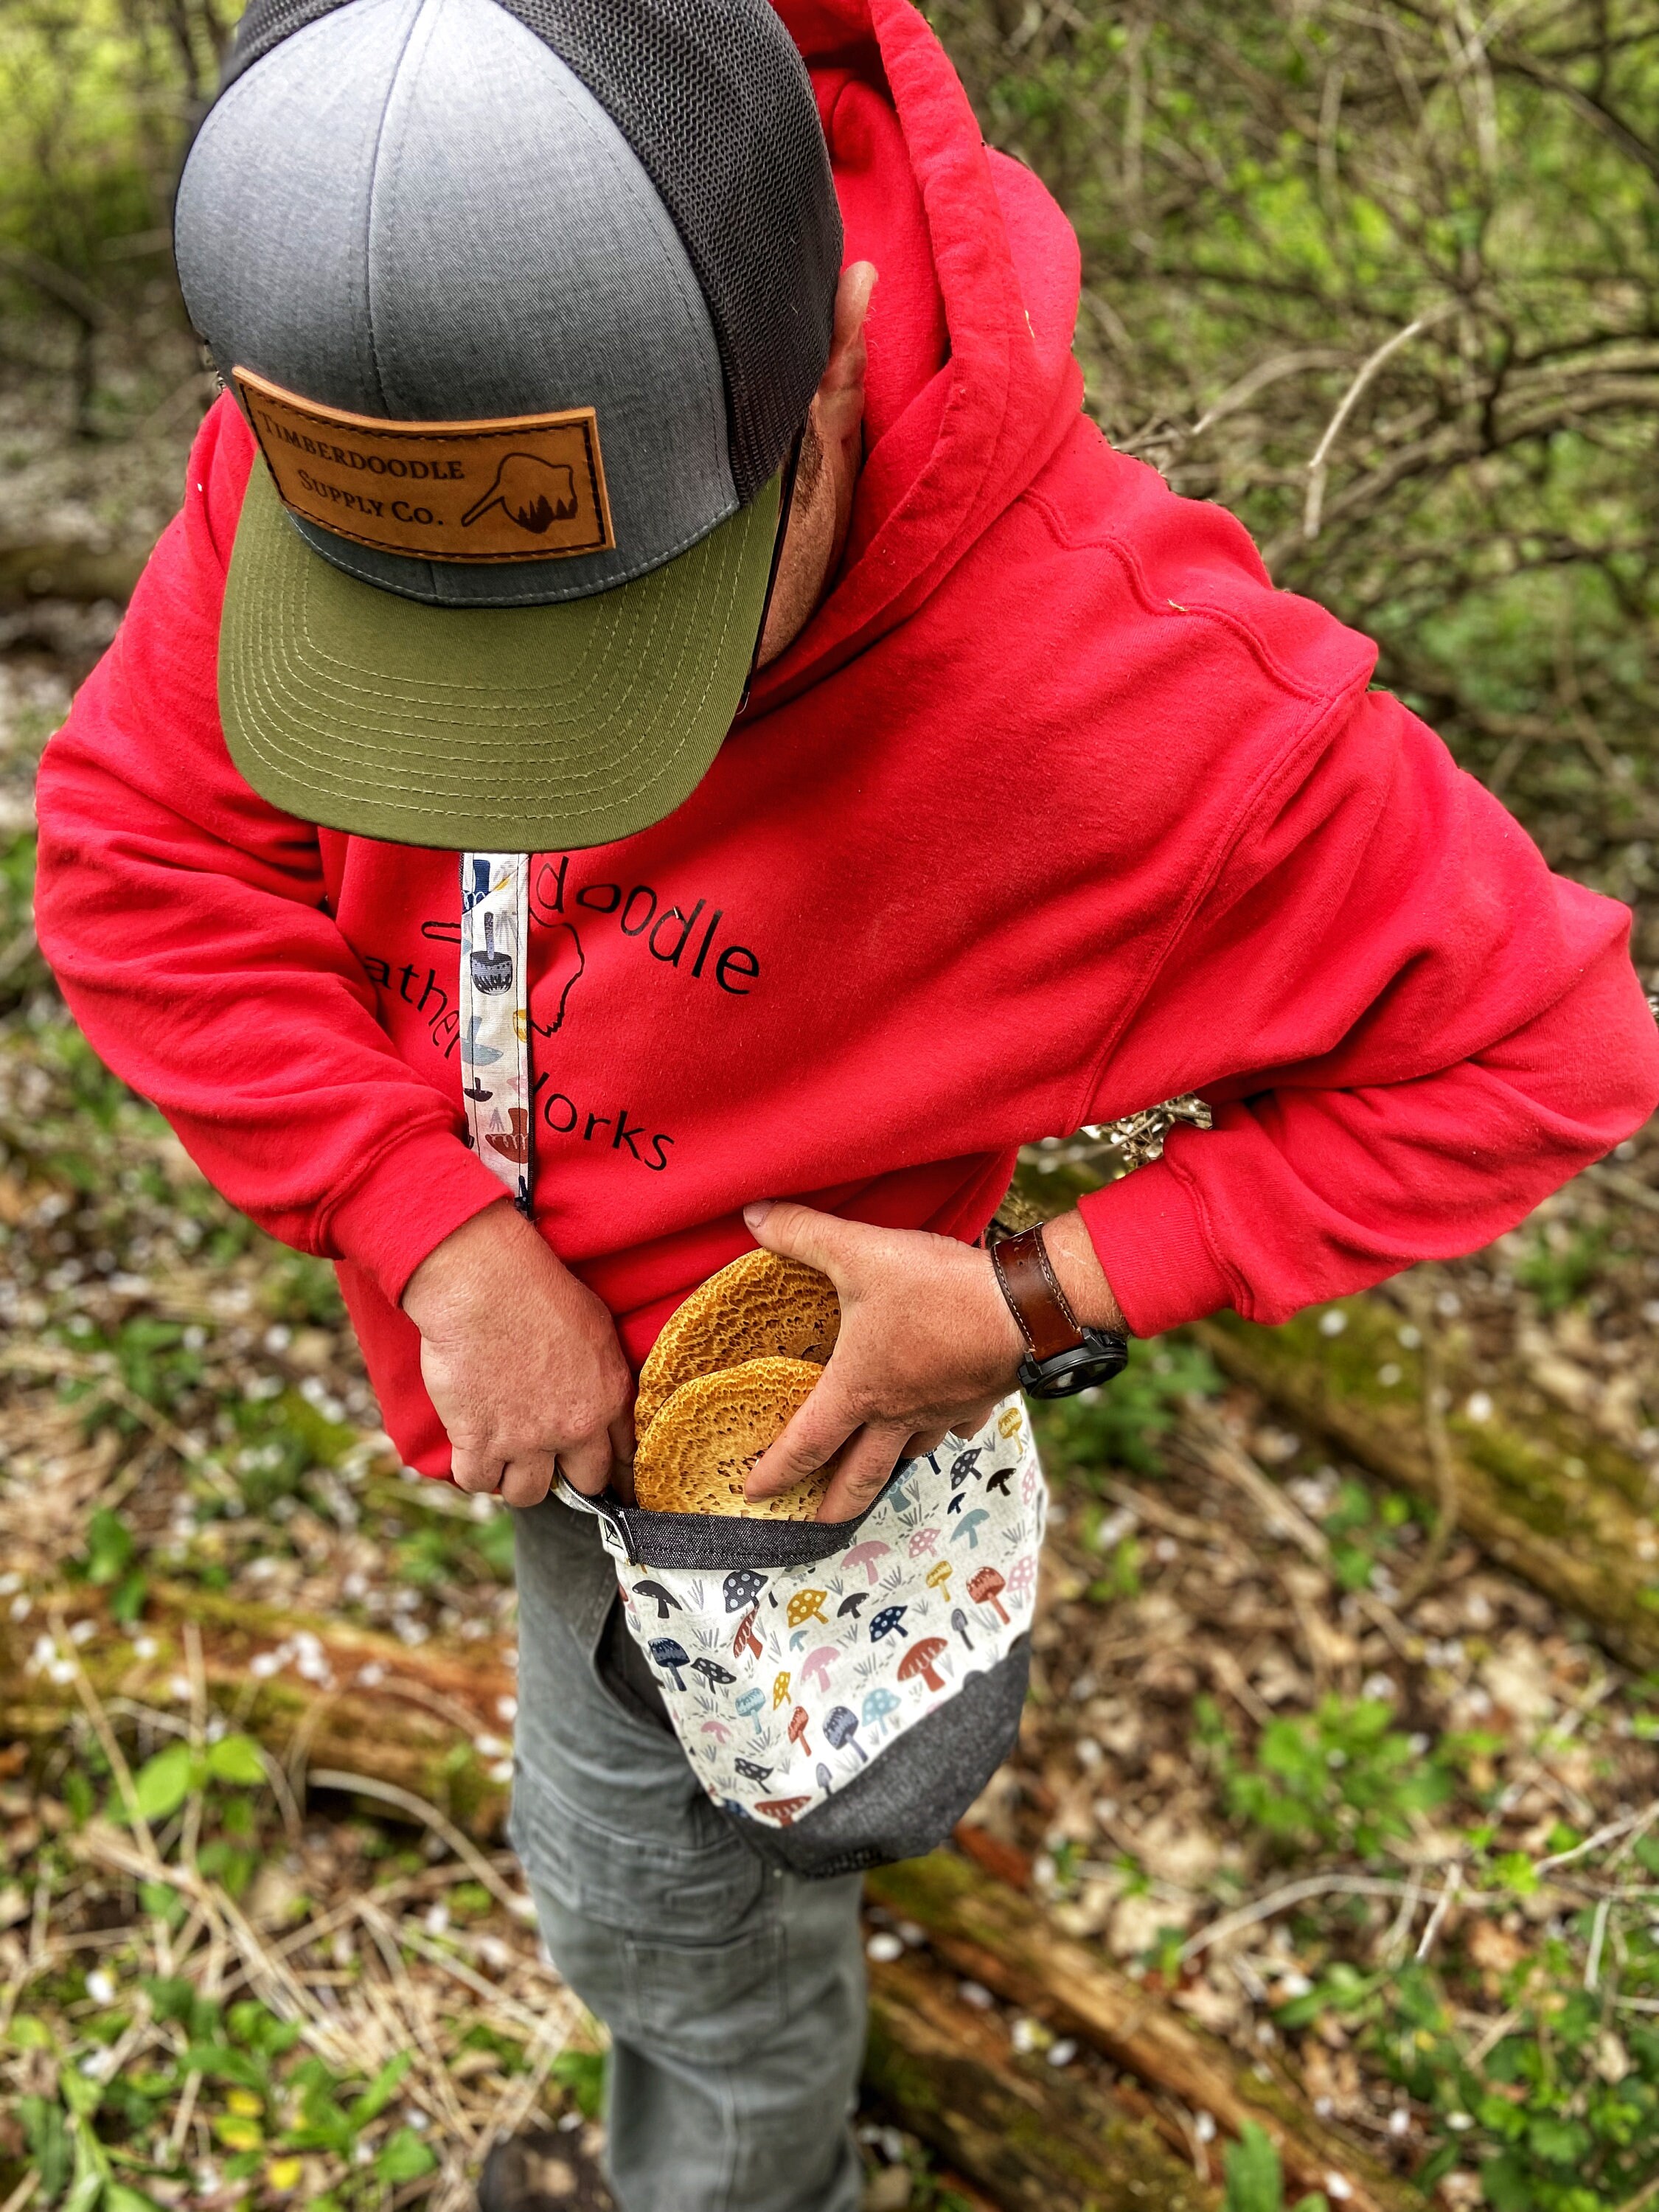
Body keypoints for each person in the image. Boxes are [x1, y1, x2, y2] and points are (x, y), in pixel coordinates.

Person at [32, 0, 1659, 2205]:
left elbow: (1543, 1045)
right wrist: (430, 1229)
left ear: (831, 357)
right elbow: (144, 852)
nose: (512, 756)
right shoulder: (399, 406)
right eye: (436, 667)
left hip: (762, 1486)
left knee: (666, 1924)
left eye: (614, 640)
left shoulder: (1125, 696)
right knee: (659, 1889)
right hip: (538, 1375)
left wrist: (1026, 1296)